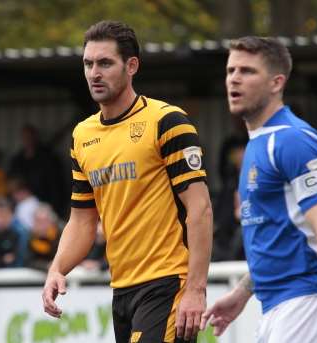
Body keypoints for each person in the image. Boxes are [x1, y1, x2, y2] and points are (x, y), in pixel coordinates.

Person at [42, 20, 213, 343]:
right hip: (121, 289)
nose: (94, 73)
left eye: (105, 63)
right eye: (88, 64)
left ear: (131, 65)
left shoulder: (167, 121)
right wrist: (57, 268)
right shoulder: (82, 135)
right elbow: (82, 220)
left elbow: (200, 209)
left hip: (167, 282)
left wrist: (195, 288)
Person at [200, 36, 317, 343]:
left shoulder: (292, 139)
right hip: (275, 304)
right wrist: (243, 291)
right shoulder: (255, 143)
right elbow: (280, 232)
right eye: (230, 70)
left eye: (247, 71)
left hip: (306, 300)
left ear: (277, 83)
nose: (234, 78)